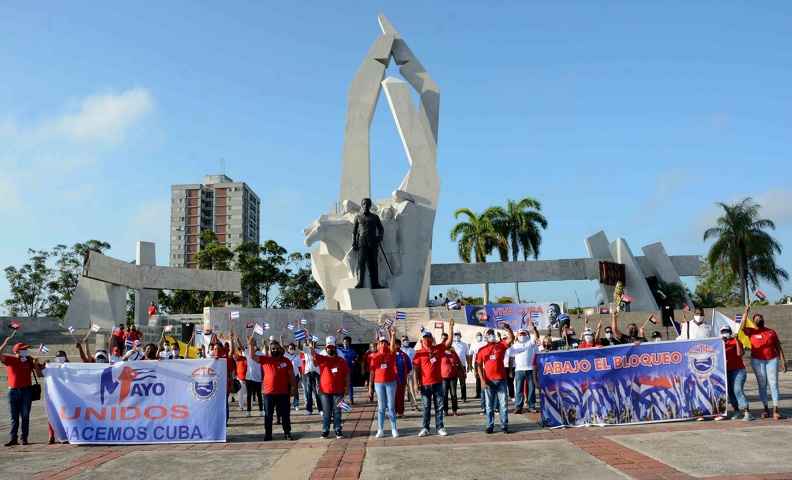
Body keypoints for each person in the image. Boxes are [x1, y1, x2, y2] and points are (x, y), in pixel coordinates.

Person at [740, 306, 787, 420]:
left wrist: (783, 361)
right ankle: (766, 409)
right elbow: (742, 328)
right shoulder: (751, 331)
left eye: (760, 319)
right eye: (756, 319)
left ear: (763, 320)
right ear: (754, 322)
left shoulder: (771, 332)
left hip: (772, 360)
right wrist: (746, 313)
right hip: (757, 361)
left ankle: (775, 409)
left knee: (774, 383)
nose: (758, 320)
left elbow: (778, 347)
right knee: (762, 384)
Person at [248, 336, 298, 441]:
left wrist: (293, 387)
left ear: (280, 349)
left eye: (277, 348)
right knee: (268, 415)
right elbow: (252, 356)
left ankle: (287, 433)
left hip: (283, 392)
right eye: (273, 349)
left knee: (285, 414)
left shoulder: (286, 361)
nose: (275, 350)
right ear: (270, 350)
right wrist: (250, 345)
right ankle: (268, 434)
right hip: (269, 393)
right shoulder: (265, 359)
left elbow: (291, 375)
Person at [413, 319, 455, 436]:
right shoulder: (419, 353)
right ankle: (425, 428)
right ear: (422, 340)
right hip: (425, 385)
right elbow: (416, 369)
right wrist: (416, 383)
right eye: (425, 338)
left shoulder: (438, 349)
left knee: (439, 407)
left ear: (432, 339)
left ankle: (440, 427)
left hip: (437, 384)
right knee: (426, 408)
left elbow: (449, 341)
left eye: (429, 338)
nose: (427, 340)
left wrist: (451, 328)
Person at [1, 339, 43, 446]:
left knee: (25, 415)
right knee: (14, 416)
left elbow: (39, 373)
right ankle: (13, 438)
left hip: (26, 391)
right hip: (12, 391)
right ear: (17, 351)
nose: (26, 351)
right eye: (23, 349)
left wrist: (37, 364)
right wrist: (5, 343)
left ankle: (24, 438)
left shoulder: (28, 359)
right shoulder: (10, 360)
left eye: (26, 349)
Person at [307, 336, 350, 439]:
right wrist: (310, 345)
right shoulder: (322, 359)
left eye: (332, 347)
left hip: (338, 391)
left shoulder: (341, 360)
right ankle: (325, 430)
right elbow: (313, 354)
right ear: (326, 349)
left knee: (337, 411)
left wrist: (347, 387)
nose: (331, 349)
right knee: (326, 412)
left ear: (335, 348)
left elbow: (347, 374)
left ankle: (338, 430)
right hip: (324, 391)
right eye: (329, 348)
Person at [476, 322, 515, 434]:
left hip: (501, 379)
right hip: (488, 381)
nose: (491, 335)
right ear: (485, 337)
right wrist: (482, 380)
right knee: (489, 405)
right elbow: (478, 366)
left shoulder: (501, 345)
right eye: (489, 334)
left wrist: (508, 327)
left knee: (503, 404)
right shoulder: (481, 350)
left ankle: (504, 425)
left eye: (492, 333)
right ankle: (490, 425)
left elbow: (511, 338)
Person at [368, 327, 399, 438]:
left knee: (391, 406)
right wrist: (370, 387)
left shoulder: (391, 353)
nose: (383, 344)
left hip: (391, 382)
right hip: (379, 383)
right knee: (381, 407)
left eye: (385, 342)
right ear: (378, 344)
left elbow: (392, 346)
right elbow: (372, 372)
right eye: (381, 342)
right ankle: (380, 429)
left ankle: (393, 429)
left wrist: (392, 334)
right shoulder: (374, 357)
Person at [721, 324, 752, 421]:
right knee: (730, 391)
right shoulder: (720, 343)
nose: (725, 333)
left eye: (727, 331)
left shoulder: (735, 341)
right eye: (723, 332)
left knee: (737, 389)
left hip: (738, 370)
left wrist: (737, 340)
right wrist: (721, 343)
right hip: (726, 371)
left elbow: (740, 353)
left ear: (730, 332)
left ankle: (747, 412)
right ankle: (737, 411)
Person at [352, 197, 384, 289]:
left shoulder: (375, 217)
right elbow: (354, 231)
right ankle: (360, 282)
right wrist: (354, 243)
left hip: (373, 242)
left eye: (368, 204)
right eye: (364, 204)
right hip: (362, 242)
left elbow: (381, 228)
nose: (366, 205)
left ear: (370, 205)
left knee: (373, 263)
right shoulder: (358, 217)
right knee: (361, 262)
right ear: (362, 205)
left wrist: (380, 236)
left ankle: (375, 284)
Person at [512, 325, 540, 414]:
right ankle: (518, 407)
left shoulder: (529, 342)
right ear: (517, 335)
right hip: (518, 370)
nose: (522, 336)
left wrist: (534, 329)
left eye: (523, 334)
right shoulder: (514, 345)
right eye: (520, 334)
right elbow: (511, 357)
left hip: (530, 369)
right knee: (519, 389)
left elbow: (536, 337)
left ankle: (531, 406)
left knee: (531, 388)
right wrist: (510, 370)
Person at [440, 336, 462, 417]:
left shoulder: (453, 353)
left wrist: (462, 372)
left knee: (453, 394)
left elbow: (459, 363)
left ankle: (454, 410)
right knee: (444, 395)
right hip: (443, 377)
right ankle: (445, 410)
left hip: (453, 376)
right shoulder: (440, 353)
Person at [393, 338, 412, 418]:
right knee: (392, 397)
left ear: (400, 346)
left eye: (397, 345)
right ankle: (393, 412)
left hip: (401, 380)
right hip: (391, 380)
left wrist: (404, 374)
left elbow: (409, 367)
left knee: (400, 397)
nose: (396, 346)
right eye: (394, 345)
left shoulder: (404, 355)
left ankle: (401, 412)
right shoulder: (390, 355)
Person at [400, 335, 420, 412]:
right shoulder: (400, 350)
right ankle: (400, 407)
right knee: (401, 391)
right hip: (401, 374)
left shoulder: (412, 350)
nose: (405, 341)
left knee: (411, 390)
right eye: (404, 340)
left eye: (406, 339)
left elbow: (416, 362)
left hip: (411, 373)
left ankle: (414, 405)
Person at [229, 335, 248, 413]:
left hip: (248, 380)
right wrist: (233, 339)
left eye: (235, 355)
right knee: (240, 395)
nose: (234, 357)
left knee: (250, 395)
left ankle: (249, 407)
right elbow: (232, 351)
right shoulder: (237, 360)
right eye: (239, 350)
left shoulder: (247, 359)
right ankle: (241, 407)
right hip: (240, 380)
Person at [470, 330, 487, 413]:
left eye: (480, 335)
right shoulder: (474, 345)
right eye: (478, 335)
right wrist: (473, 367)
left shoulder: (485, 343)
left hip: (486, 366)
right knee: (478, 380)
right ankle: (478, 394)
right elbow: (472, 355)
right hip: (478, 363)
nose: (479, 336)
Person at [336, 336, 358, 404]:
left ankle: (351, 399)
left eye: (347, 342)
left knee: (349, 384)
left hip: (350, 368)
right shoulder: (340, 349)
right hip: (341, 369)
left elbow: (355, 358)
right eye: (344, 342)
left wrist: (355, 361)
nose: (345, 343)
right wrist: (335, 341)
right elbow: (333, 349)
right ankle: (341, 399)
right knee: (341, 384)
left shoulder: (352, 350)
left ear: (349, 343)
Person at [283, 340, 302, 410]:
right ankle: (287, 404)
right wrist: (282, 339)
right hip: (287, 376)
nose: (291, 350)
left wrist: (301, 376)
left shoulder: (297, 357)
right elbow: (282, 347)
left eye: (292, 349)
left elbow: (300, 367)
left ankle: (296, 404)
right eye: (289, 348)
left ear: (294, 349)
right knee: (287, 390)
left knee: (295, 390)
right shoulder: (286, 355)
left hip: (295, 375)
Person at [451, 331, 468, 402]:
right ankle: (453, 397)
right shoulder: (452, 344)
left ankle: (463, 397)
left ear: (460, 336)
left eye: (458, 335)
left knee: (462, 383)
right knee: (453, 383)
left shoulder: (464, 344)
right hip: (453, 366)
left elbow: (467, 355)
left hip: (462, 366)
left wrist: (469, 365)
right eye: (455, 335)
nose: (456, 336)